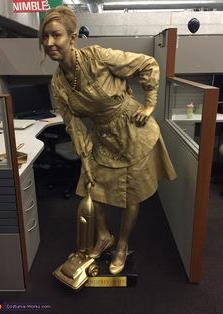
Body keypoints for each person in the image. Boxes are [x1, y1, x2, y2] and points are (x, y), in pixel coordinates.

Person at [39, 5, 176, 275]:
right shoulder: (57, 83)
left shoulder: (97, 57)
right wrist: (85, 159)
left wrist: (149, 105)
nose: (50, 43)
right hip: (102, 135)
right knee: (93, 191)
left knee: (131, 195)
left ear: (72, 38)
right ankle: (104, 236)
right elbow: (74, 124)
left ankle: (122, 245)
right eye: (45, 37)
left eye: (56, 35)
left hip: (134, 132)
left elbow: (148, 64)